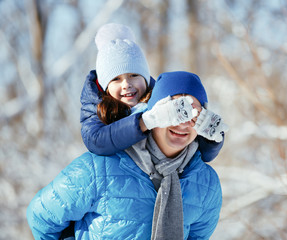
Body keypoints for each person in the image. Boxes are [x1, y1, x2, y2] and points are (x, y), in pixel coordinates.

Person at [27, 71, 224, 239]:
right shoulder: (97, 168)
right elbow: (41, 217)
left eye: (193, 113)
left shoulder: (206, 184)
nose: (182, 123)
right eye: (175, 111)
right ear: (155, 113)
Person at [80, 23, 225, 162]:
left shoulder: (159, 98)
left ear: (145, 78)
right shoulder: (97, 108)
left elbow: (199, 150)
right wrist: (147, 121)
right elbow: (96, 141)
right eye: (116, 79)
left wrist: (211, 137)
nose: (126, 84)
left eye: (134, 75)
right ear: (105, 86)